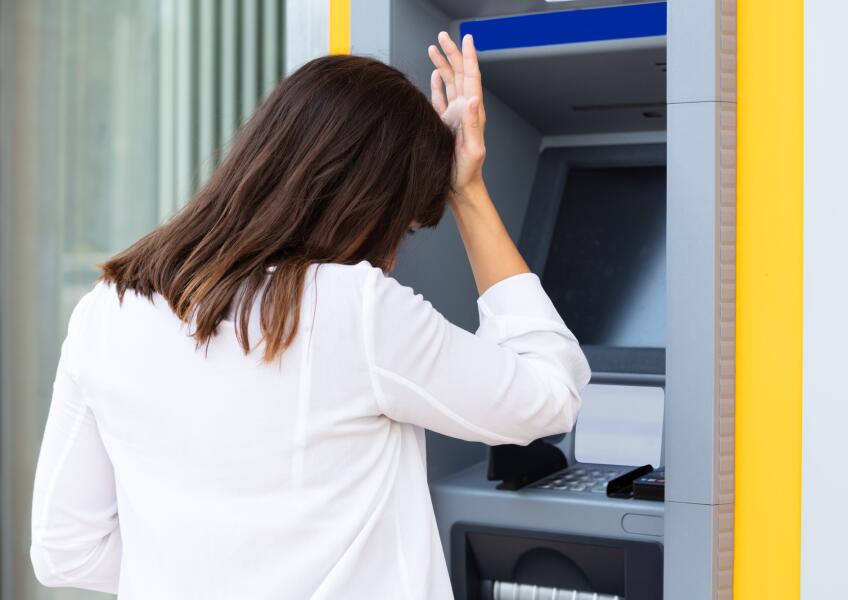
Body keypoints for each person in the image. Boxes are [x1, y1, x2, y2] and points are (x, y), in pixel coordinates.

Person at [30, 33, 590, 598]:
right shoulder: (355, 308)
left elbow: (65, 552)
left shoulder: (106, 311)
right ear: (365, 207)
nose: (394, 258)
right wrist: (467, 192)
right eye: (401, 228)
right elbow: (550, 394)